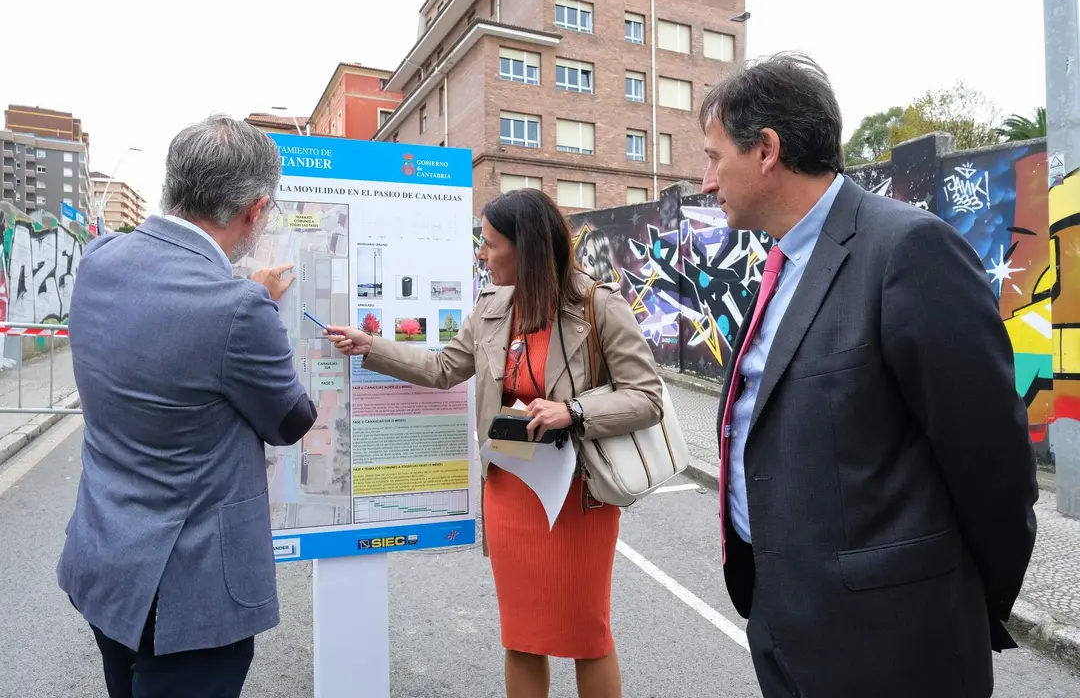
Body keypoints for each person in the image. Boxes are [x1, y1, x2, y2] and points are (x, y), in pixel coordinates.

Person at [701, 52, 1038, 698]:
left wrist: (963, 599)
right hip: (783, 629)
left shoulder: (906, 251)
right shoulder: (776, 268)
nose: (707, 180)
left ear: (766, 149)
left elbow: (992, 462)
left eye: (714, 156)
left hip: (894, 648)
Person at [324, 188, 662, 698]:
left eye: (488, 242)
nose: (481, 253)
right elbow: (442, 368)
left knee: (587, 634)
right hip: (509, 491)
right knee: (522, 635)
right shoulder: (489, 308)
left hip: (576, 497)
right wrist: (370, 347)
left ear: (524, 248)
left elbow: (647, 397)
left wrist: (572, 412)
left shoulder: (595, 305)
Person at [58, 114, 317, 698]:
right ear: (254, 210)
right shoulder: (239, 310)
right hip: (187, 597)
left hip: (104, 562)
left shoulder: (99, 259)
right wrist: (260, 306)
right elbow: (290, 420)